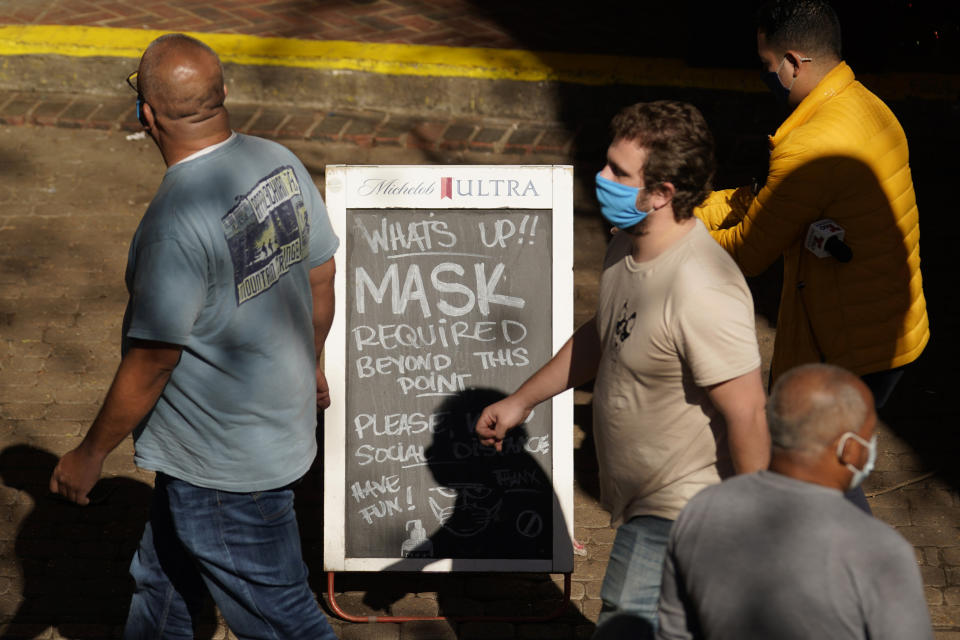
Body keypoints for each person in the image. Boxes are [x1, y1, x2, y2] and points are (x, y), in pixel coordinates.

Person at [48, 34, 339, 639]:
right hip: (263, 431)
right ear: (224, 93)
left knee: (285, 621)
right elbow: (321, 275)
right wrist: (308, 362)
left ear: (146, 115)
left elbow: (152, 360)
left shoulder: (174, 225)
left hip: (223, 466)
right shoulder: (278, 161)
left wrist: (90, 453)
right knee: (163, 586)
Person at [475, 101, 770, 636]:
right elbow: (603, 334)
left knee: (623, 624)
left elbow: (747, 414)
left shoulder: (704, 288)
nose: (600, 178)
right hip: (639, 501)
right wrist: (521, 401)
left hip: (682, 508)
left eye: (618, 171)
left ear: (662, 194)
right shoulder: (625, 245)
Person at [695, 0, 929, 405]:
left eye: (767, 64)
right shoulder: (868, 107)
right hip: (891, 332)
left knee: (805, 464)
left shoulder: (809, 145)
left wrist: (664, 235)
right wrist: (690, 211)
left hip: (845, 352)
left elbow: (746, 252)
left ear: (792, 63)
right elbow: (768, 201)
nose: (766, 74)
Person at [657, 363, 933, 640]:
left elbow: (674, 632)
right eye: (869, 436)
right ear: (848, 448)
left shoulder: (701, 510)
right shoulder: (879, 551)